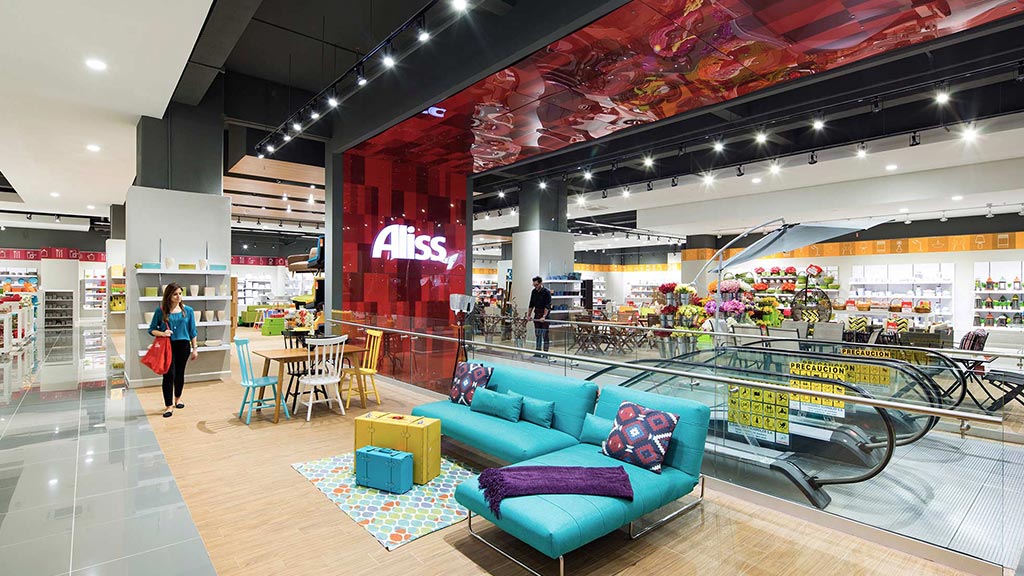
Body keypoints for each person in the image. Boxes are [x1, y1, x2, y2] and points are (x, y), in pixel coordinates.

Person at [148, 282, 198, 418]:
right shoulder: (161, 311)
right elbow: (151, 330)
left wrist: (195, 348)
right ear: (169, 296)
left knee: (180, 373)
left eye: (180, 294)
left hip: (183, 346)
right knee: (168, 375)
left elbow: (192, 331)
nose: (178, 297)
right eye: (175, 294)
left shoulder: (188, 311)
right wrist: (163, 333)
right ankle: (168, 405)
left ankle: (178, 399)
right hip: (167, 346)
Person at [526, 276, 552, 358]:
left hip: (545, 315)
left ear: (541, 283)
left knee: (545, 334)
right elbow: (531, 304)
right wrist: (529, 315)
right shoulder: (534, 292)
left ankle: (545, 353)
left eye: (536, 285)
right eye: (534, 285)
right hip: (537, 314)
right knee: (538, 334)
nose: (535, 287)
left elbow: (547, 306)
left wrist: (544, 316)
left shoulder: (547, 292)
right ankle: (537, 352)